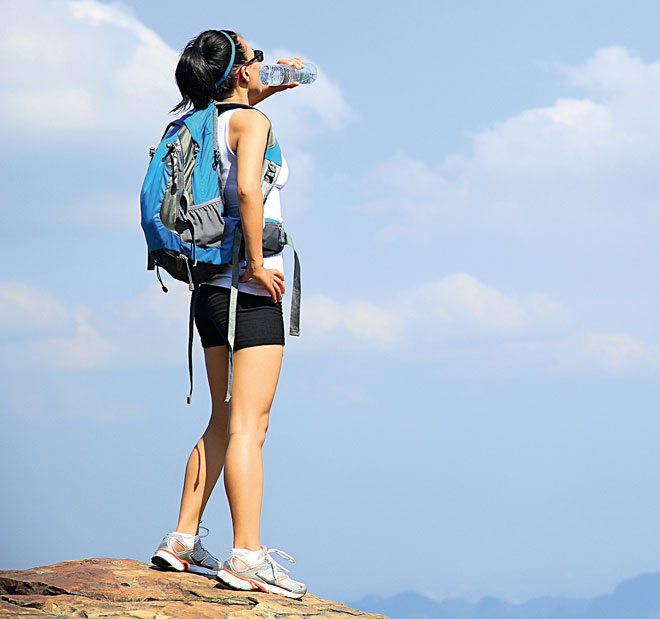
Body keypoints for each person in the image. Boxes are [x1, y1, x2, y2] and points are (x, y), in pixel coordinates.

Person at [149, 28, 307, 600]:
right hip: (248, 289)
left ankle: (183, 539)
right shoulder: (252, 126)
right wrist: (262, 265)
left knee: (222, 418)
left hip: (208, 293)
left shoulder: (201, 123)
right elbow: (247, 190)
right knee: (250, 425)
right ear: (239, 71)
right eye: (255, 57)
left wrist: (269, 89)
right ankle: (248, 555)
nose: (263, 62)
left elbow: (233, 126)